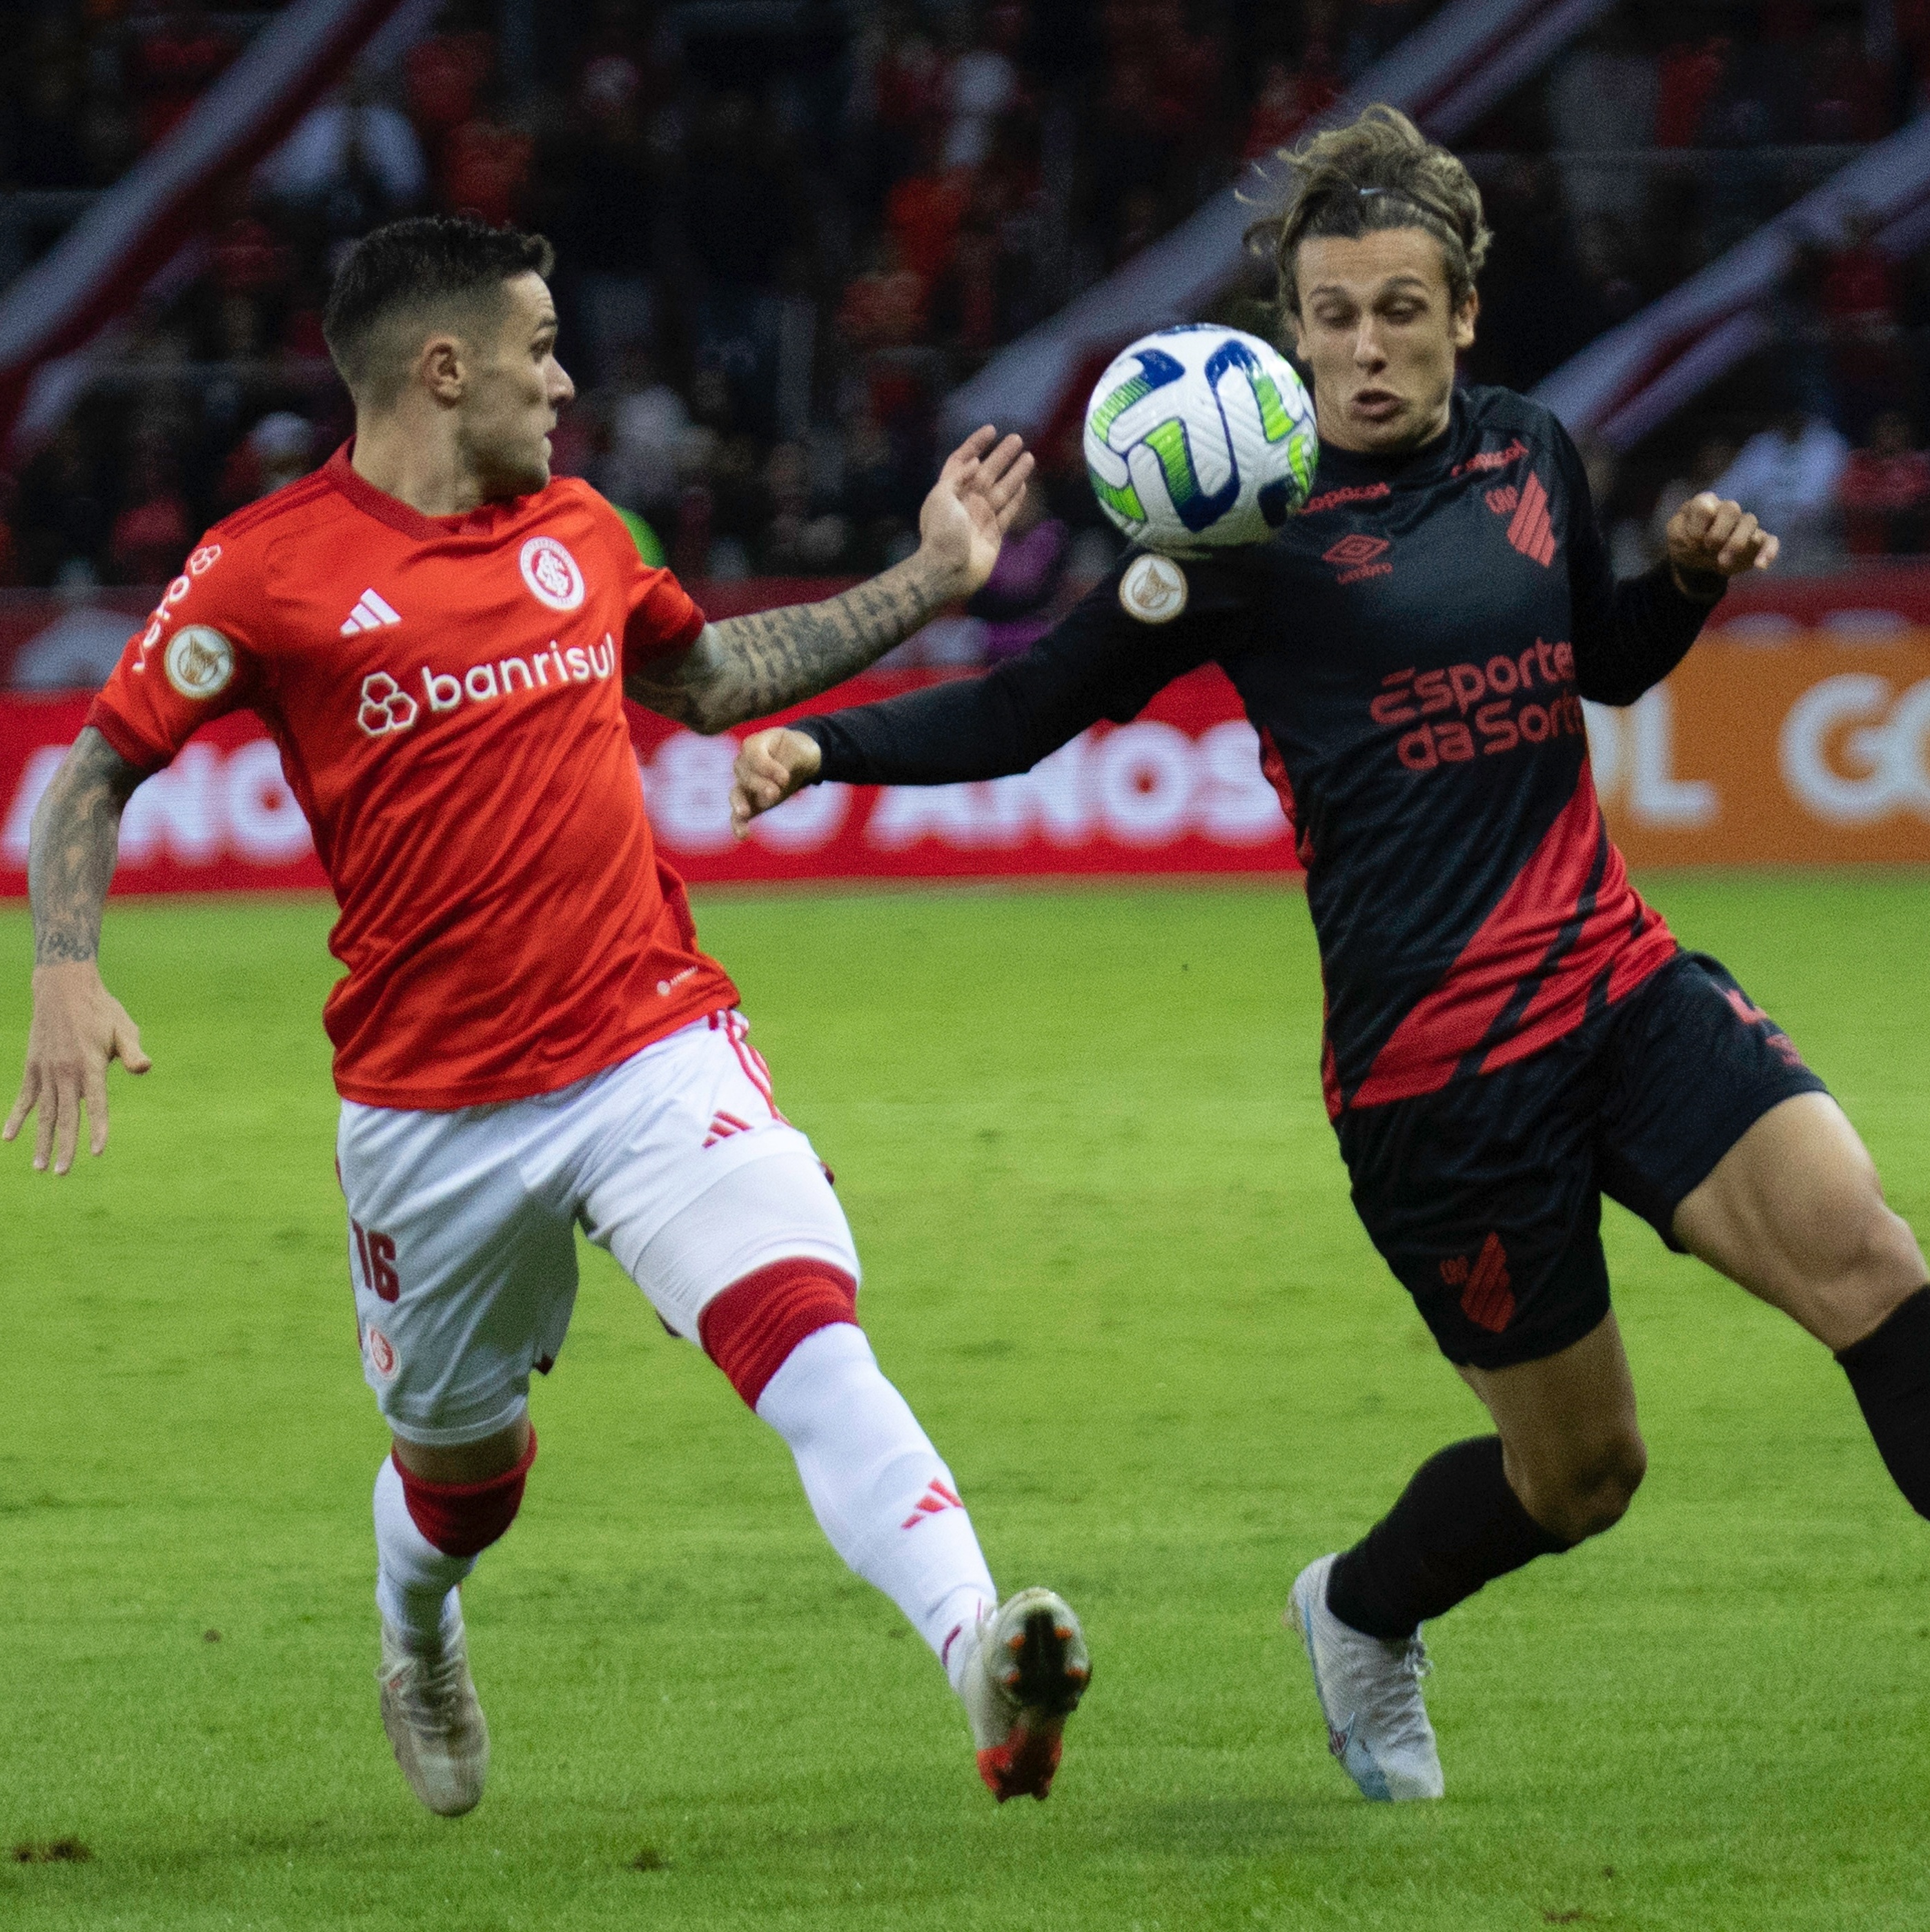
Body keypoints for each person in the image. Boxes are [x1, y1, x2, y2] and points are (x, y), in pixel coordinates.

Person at [730, 106, 1930, 1802]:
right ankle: (1359, 1610)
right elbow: (1025, 709)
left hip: (1616, 977)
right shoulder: (1235, 533)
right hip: (1436, 1081)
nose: (1363, 347)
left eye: (1397, 310)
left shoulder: (1529, 453)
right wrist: (826, 748)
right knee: (1583, 1474)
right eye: (1332, 315)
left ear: (1460, 315)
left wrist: (1677, 584)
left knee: (1867, 1258)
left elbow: (1600, 663)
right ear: (1289, 330)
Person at [6, 215, 1089, 1817]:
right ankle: (417, 1630)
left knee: (803, 1329)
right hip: (427, 1106)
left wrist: (934, 575)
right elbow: (96, 765)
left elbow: (712, 677)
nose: (566, 381)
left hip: (645, 1037)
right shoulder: (267, 569)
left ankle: (978, 1648)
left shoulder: (577, 528)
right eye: (542, 347)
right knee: (464, 1484)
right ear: (445, 369)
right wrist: (65, 964)